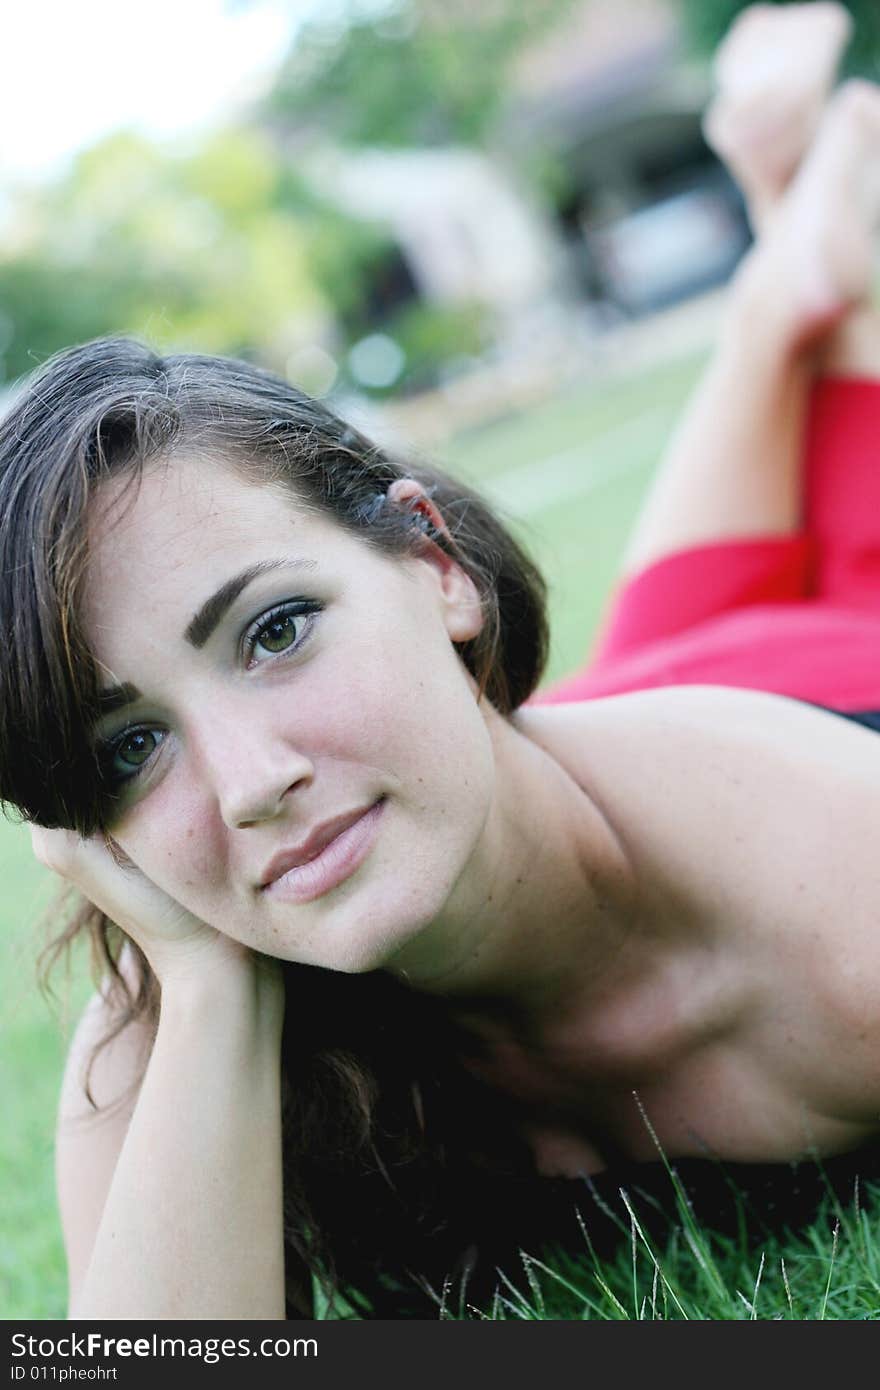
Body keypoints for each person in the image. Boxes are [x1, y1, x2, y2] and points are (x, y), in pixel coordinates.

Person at [2, 3, 880, 1322]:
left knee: (832, 373)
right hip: (580, 737)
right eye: (130, 743)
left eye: (274, 629)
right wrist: (208, 985)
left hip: (813, 681)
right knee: (658, 636)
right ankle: (781, 272)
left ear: (437, 561)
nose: (250, 784)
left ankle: (800, 224)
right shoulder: (173, 1001)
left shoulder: (842, 905)